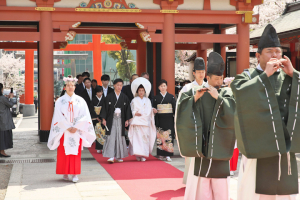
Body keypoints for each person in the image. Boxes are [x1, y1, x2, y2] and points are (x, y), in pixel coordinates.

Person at [231, 24, 300, 200]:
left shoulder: (288, 76)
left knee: (285, 195)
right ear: (258, 55)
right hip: (258, 147)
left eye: (278, 51)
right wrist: (264, 77)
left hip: (283, 148)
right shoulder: (247, 77)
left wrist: (295, 75)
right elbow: (239, 92)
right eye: (270, 51)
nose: (275, 55)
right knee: (254, 193)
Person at [175, 52, 236, 200]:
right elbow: (182, 112)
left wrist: (218, 97)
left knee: (221, 191)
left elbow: (234, 112)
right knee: (202, 191)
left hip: (220, 150)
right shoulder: (194, 91)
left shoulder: (226, 92)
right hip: (201, 150)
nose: (220, 82)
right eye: (217, 79)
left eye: (221, 78)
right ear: (207, 78)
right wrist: (195, 98)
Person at [47, 76, 96, 183]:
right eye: (68, 85)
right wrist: (67, 126)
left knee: (75, 152)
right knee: (63, 151)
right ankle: (65, 172)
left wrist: (76, 126)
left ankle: (74, 174)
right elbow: (58, 116)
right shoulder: (60, 101)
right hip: (64, 130)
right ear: (65, 87)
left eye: (72, 85)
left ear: (75, 87)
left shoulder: (80, 100)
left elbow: (84, 115)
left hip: (76, 131)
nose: (70, 87)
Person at [179, 57, 207, 184]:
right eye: (199, 72)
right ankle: (190, 180)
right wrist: (195, 97)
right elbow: (182, 107)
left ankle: (203, 179)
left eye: (203, 71)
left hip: (206, 124)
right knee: (192, 154)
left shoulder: (209, 86)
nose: (201, 74)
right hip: (192, 125)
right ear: (194, 73)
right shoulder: (187, 88)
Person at [100, 78, 132, 163]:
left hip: (121, 119)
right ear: (114, 85)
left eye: (121, 85)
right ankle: (111, 156)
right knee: (111, 136)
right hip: (111, 119)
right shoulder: (109, 96)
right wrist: (104, 119)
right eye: (117, 85)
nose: (119, 87)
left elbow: (127, 109)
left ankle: (119, 156)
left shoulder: (124, 97)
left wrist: (127, 120)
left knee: (120, 137)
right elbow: (105, 108)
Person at [128, 77, 156, 162]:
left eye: (142, 90)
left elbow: (149, 110)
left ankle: (143, 154)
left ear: (145, 91)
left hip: (145, 122)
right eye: (139, 90)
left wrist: (152, 110)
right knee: (137, 139)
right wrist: (134, 113)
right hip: (137, 122)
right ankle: (137, 154)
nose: (141, 92)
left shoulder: (147, 100)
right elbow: (131, 110)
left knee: (144, 139)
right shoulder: (134, 100)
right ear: (137, 91)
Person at [153, 79, 176, 162]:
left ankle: (168, 155)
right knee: (160, 136)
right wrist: (154, 110)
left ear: (166, 87)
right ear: (159, 87)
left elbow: (174, 108)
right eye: (161, 86)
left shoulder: (171, 96)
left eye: (164, 86)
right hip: (160, 118)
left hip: (169, 118)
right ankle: (161, 154)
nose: (163, 87)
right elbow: (153, 107)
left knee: (168, 136)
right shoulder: (156, 98)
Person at [0, 83, 15, 158]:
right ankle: (2, 152)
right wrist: (11, 98)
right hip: (4, 120)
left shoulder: (2, 98)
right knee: (3, 137)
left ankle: (1, 151)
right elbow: (11, 104)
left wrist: (7, 97)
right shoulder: (2, 98)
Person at [91, 86, 105, 154]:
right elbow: (91, 109)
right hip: (96, 118)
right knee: (97, 132)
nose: (100, 93)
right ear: (96, 93)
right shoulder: (93, 100)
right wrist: (96, 117)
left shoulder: (104, 99)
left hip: (103, 118)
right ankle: (99, 147)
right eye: (98, 92)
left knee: (104, 132)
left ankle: (104, 147)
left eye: (101, 92)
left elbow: (105, 109)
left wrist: (102, 117)